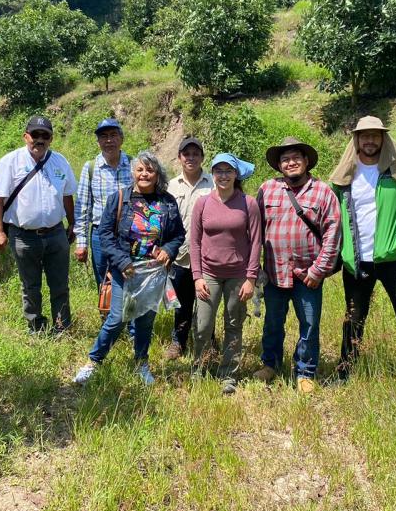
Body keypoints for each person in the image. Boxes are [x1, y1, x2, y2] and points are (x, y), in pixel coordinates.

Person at [329, 116, 396, 378]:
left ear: (383, 138)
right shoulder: (345, 175)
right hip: (356, 261)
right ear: (356, 139)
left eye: (375, 135)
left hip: (394, 260)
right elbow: (330, 214)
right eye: (364, 136)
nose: (369, 140)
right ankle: (345, 373)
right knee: (353, 319)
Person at [74, 151, 185, 386]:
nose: (144, 174)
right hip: (125, 270)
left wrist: (169, 249)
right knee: (116, 318)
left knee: (145, 320)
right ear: (133, 173)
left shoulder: (166, 201)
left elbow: (178, 234)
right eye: (140, 170)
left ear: (157, 175)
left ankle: (141, 364)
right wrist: (122, 262)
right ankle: (93, 362)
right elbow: (105, 233)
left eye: (150, 170)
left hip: (153, 272)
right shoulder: (120, 198)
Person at [253, 137, 342, 393]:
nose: (290, 163)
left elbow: (332, 235)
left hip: (308, 275)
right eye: (285, 159)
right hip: (274, 272)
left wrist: (319, 270)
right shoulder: (267, 189)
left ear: (306, 162)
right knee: (272, 322)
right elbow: (255, 230)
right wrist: (255, 268)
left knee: (310, 324)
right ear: (279, 165)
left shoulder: (323, 191)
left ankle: (305, 372)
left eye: (295, 158)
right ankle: (270, 364)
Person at [0, 115, 77, 334]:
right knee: (31, 286)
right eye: (35, 134)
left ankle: (62, 327)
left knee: (60, 285)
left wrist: (72, 224)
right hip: (24, 236)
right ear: (25, 136)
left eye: (44, 135)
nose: (39, 139)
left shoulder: (60, 161)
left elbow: (67, 196)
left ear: (51, 138)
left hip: (56, 234)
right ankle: (36, 327)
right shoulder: (10, 161)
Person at [190, 153, 261, 394]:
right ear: (212, 173)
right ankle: (198, 367)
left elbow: (255, 242)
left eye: (228, 171)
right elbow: (195, 242)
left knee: (234, 324)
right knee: (203, 325)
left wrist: (251, 278)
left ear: (236, 174)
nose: (223, 176)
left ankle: (228, 374)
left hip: (238, 274)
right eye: (218, 171)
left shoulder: (248, 203)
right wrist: (197, 276)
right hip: (209, 273)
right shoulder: (202, 202)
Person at [165, 136, 213, 360]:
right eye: (187, 154)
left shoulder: (213, 183)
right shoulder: (171, 186)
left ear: (203, 158)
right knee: (182, 303)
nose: (191, 158)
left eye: (196, 154)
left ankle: (208, 343)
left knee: (207, 302)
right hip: (180, 255)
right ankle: (179, 342)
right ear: (180, 158)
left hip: (208, 256)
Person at [74, 118, 133, 295]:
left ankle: (131, 321)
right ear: (98, 142)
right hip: (101, 233)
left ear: (121, 139)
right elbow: (83, 207)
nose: (109, 140)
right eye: (104, 136)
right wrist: (81, 243)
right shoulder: (91, 168)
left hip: (130, 233)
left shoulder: (134, 165)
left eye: (113, 135)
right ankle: (107, 320)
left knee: (131, 276)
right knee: (104, 280)